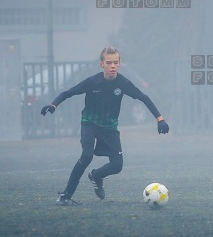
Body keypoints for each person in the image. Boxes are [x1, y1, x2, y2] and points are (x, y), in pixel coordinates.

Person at [41, 46, 169, 205]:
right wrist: (54, 105)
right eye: (109, 63)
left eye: (116, 62)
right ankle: (65, 196)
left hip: (109, 128)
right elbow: (68, 92)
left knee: (117, 165)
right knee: (86, 156)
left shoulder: (123, 83)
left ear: (120, 64)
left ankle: (96, 175)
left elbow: (144, 98)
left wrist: (160, 119)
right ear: (102, 64)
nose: (113, 66)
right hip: (90, 124)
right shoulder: (92, 82)